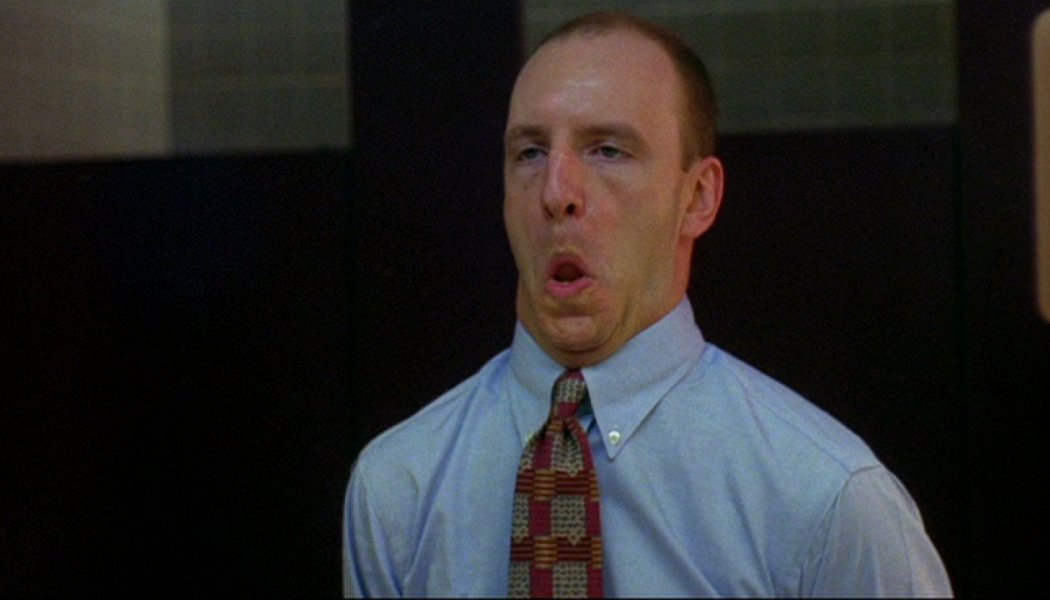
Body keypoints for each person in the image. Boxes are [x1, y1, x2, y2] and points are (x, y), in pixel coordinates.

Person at [343, 11, 952, 598]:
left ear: (698, 197)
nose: (556, 192)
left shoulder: (826, 500)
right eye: (530, 153)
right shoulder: (399, 488)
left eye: (607, 150)